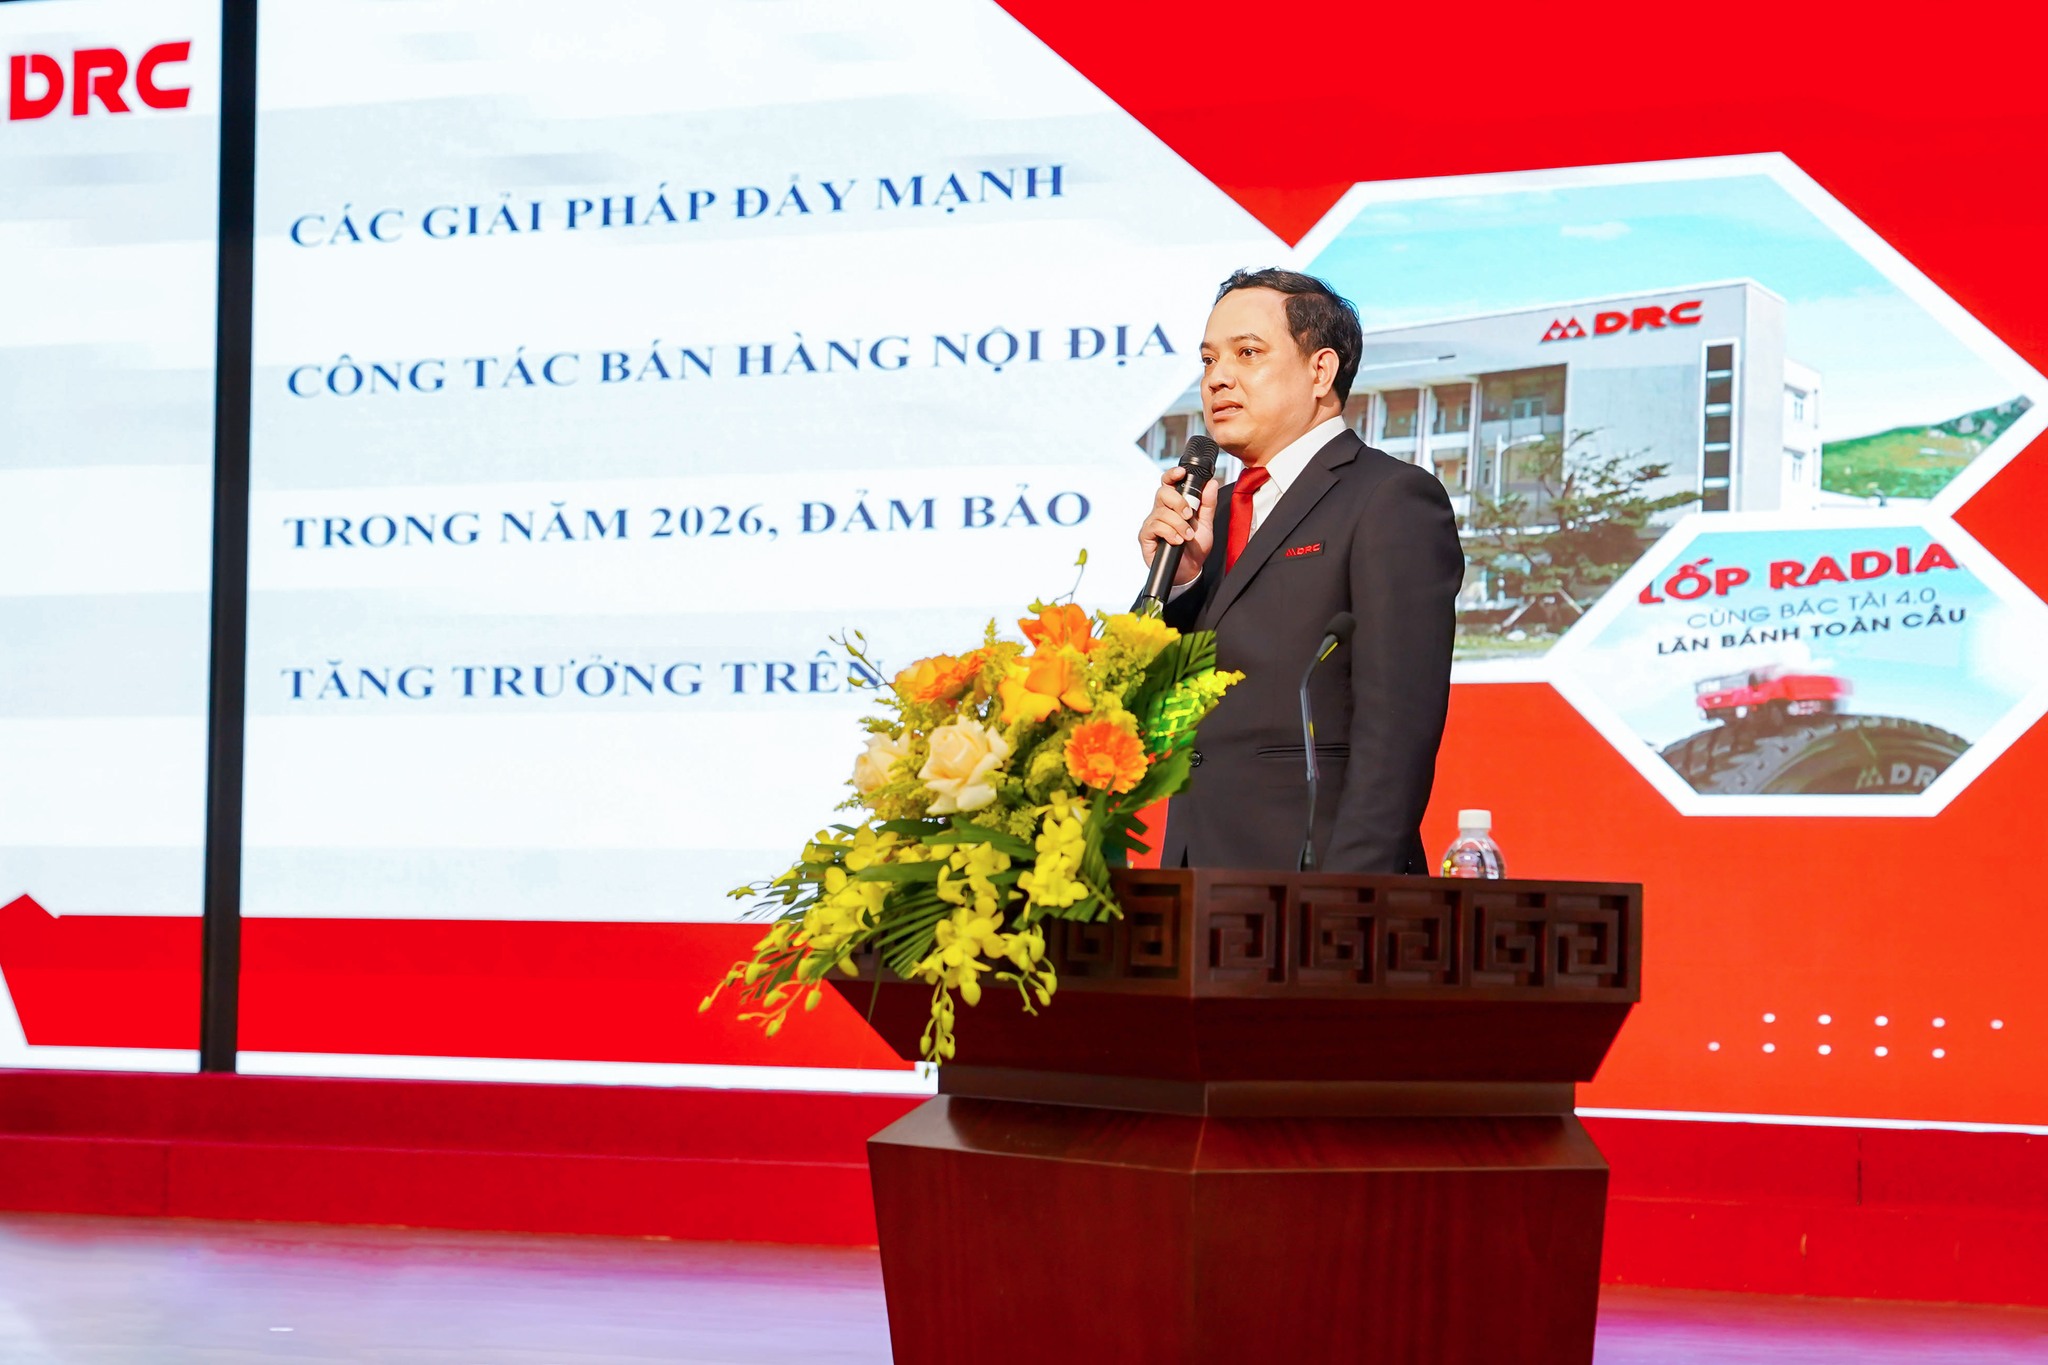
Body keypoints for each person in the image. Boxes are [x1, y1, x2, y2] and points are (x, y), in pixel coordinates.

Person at [1137, 268, 1463, 873]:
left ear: (1320, 371)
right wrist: (1180, 583)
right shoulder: (1211, 513)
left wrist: (1345, 898)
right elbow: (1155, 710)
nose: (1217, 378)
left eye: (1247, 353)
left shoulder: (1389, 498)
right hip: (1195, 875)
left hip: (1316, 879)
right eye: (1208, 360)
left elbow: (1397, 731)